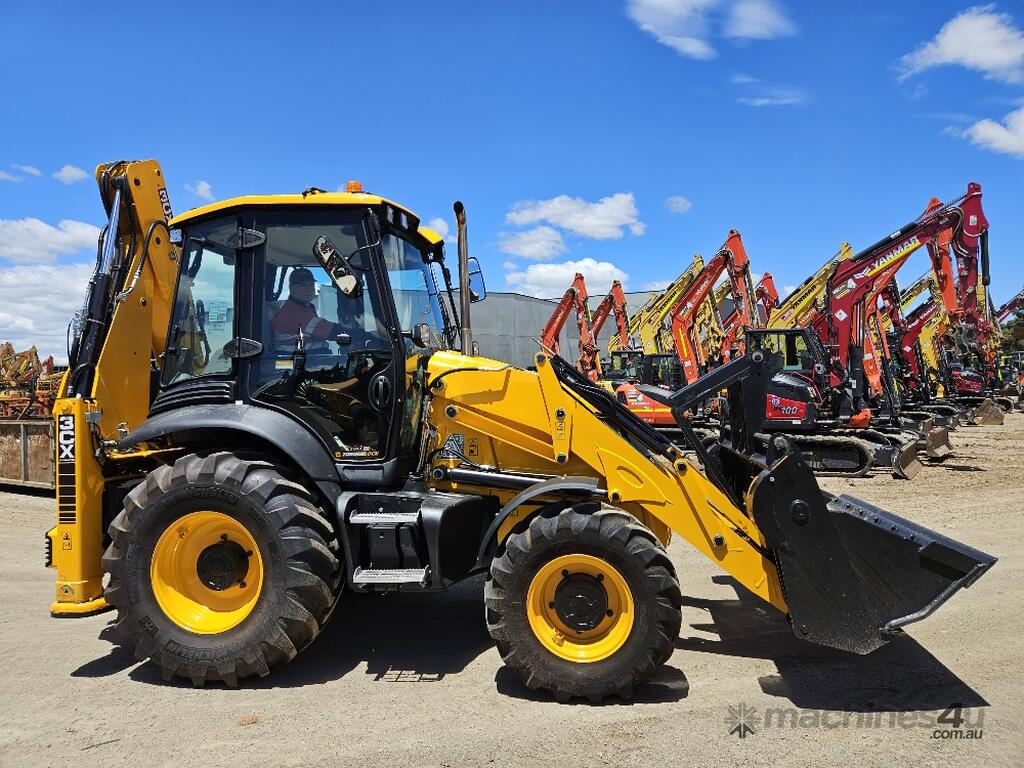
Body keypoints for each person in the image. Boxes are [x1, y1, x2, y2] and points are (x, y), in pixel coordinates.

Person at [271, 267, 344, 353]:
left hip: (309, 356)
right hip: (295, 358)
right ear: (291, 288)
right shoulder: (291, 311)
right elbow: (331, 331)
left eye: (310, 285)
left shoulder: (307, 308)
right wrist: (353, 333)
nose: (307, 290)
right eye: (301, 286)